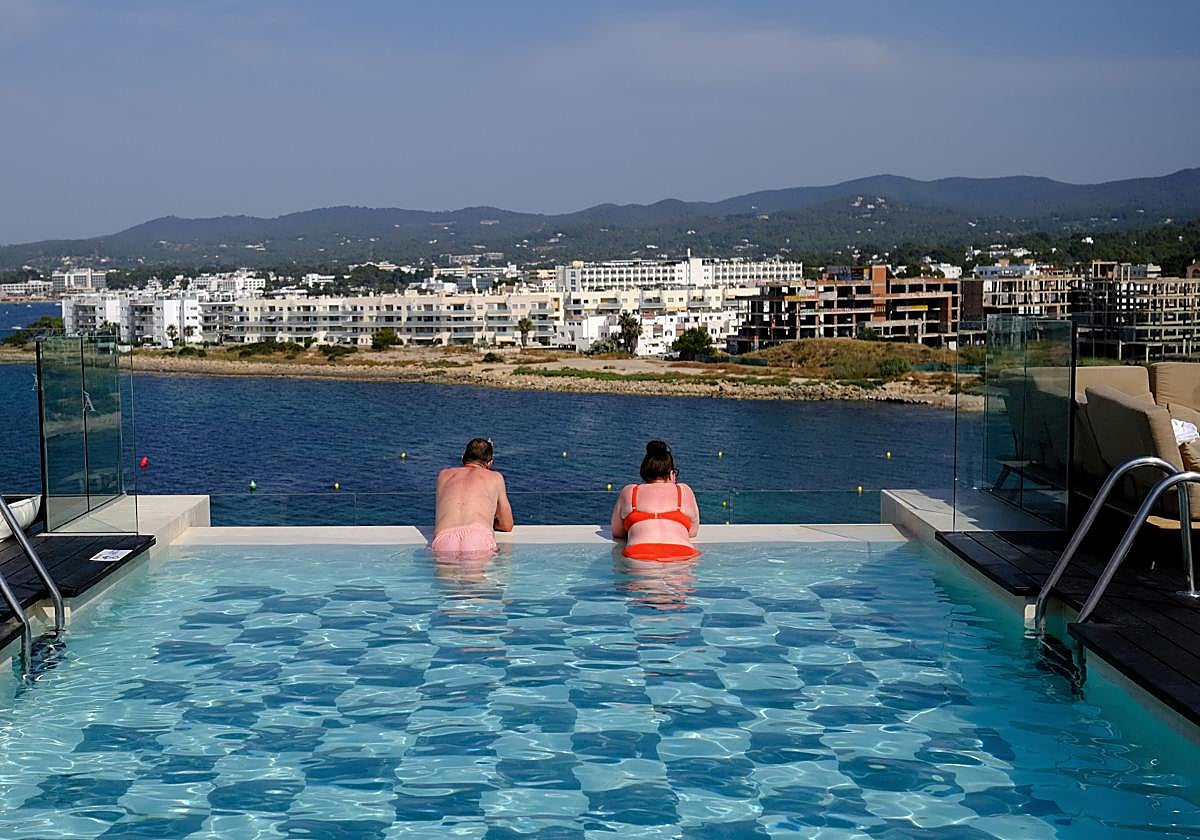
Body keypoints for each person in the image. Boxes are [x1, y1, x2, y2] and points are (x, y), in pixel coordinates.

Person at [610, 439, 700, 561]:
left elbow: (617, 532)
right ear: (671, 473)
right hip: (682, 554)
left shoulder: (630, 492)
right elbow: (693, 532)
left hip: (639, 554)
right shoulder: (683, 491)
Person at [432, 438, 514, 554]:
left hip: (444, 540)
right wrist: (488, 521)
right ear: (490, 463)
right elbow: (507, 525)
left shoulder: (443, 475)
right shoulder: (495, 478)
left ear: (462, 458)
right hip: (477, 538)